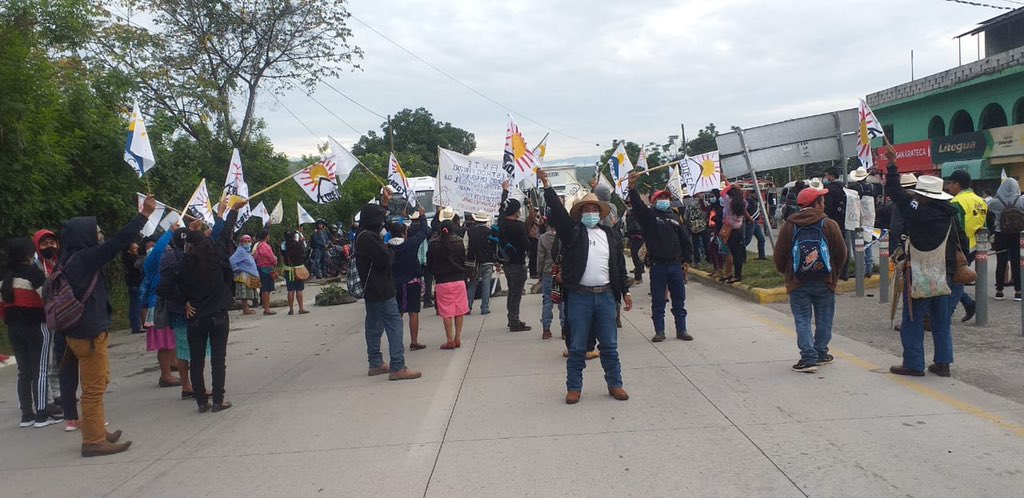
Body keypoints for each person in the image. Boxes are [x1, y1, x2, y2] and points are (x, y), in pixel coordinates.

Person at [59, 194, 155, 457]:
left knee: (98, 382)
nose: (100, 235)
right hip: (88, 334)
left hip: (83, 332)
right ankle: (92, 440)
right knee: (93, 389)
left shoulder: (70, 258)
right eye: (97, 232)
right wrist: (143, 215)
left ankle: (97, 432)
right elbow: (119, 242)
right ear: (84, 236)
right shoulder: (83, 259)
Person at [538, 168, 633, 405]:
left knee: (610, 345)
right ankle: (574, 387)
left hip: (606, 297)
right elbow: (558, 213)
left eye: (594, 209)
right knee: (577, 346)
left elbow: (619, 267)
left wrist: (625, 291)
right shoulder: (573, 233)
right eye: (586, 210)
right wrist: (547, 185)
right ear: (580, 213)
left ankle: (615, 384)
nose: (590, 213)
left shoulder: (610, 235)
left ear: (600, 213)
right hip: (579, 298)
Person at [886, 150, 967, 378]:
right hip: (944, 276)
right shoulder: (950, 215)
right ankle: (943, 364)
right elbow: (964, 245)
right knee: (941, 322)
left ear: (922, 195)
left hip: (919, 274)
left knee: (912, 320)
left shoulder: (917, 213)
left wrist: (893, 165)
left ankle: (913, 363)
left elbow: (896, 192)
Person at [174, 202, 244, 413]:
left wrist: (183, 302)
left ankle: (201, 402)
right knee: (217, 359)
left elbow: (166, 286)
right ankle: (218, 399)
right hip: (218, 315)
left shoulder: (182, 263)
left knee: (196, 360)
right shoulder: (215, 254)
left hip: (195, 317)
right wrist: (229, 211)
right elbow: (223, 233)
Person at [773, 186, 848, 373]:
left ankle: (808, 358)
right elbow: (842, 253)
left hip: (798, 281)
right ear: (816, 204)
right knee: (824, 318)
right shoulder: (829, 224)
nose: (824, 203)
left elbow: (779, 257)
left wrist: (788, 273)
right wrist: (834, 273)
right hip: (825, 280)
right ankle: (821, 353)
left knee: (802, 319)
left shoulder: (789, 225)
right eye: (822, 200)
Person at [355, 189, 421, 381]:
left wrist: (385, 202)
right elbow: (386, 258)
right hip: (382, 288)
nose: (384, 222)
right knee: (394, 324)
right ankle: (398, 366)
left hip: (371, 289)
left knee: (374, 325)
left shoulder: (362, 233)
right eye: (381, 219)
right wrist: (391, 249)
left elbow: (377, 219)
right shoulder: (370, 238)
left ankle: (375, 362)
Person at [1, 238, 62, 428]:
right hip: (36, 325)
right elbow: (48, 297)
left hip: (13, 327)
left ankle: (26, 415)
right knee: (41, 370)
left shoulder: (3, 275)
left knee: (24, 371)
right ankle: (43, 414)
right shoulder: (32, 273)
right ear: (28, 254)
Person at [627, 182, 694, 342]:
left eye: (666, 197)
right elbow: (637, 206)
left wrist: (687, 260)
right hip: (658, 266)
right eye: (660, 198)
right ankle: (659, 331)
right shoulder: (649, 217)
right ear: (654, 201)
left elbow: (685, 240)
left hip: (675, 266)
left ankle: (681, 329)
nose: (664, 199)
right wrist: (632, 188)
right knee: (658, 300)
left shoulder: (675, 217)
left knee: (679, 299)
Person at [140, 227, 182, 390]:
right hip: (158, 306)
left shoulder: (166, 263)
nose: (153, 249)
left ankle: (172, 366)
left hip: (166, 303)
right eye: (148, 247)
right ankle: (165, 375)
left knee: (171, 341)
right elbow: (157, 251)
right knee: (164, 344)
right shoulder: (151, 263)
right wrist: (169, 232)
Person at [946, 170, 987, 321]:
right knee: (957, 279)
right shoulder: (980, 200)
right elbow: (985, 226)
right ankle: (969, 304)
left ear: (957, 184)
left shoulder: (957, 201)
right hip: (976, 245)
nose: (948, 186)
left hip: (960, 248)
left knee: (956, 281)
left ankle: (946, 314)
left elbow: (956, 228)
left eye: (950, 183)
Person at [428, 207, 469, 349]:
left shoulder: (433, 244)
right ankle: (458, 337)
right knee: (459, 310)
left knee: (446, 312)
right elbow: (463, 260)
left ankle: (449, 339)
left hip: (442, 282)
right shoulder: (458, 242)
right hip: (458, 280)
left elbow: (430, 263)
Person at [389, 207, 430, 350]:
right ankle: (414, 341)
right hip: (413, 282)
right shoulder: (410, 244)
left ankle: (396, 343)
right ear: (404, 233)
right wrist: (423, 216)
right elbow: (424, 232)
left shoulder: (387, 248)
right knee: (413, 312)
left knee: (397, 313)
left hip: (395, 284)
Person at [499, 180, 532, 332]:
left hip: (506, 263)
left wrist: (504, 192)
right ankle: (514, 321)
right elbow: (526, 245)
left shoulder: (501, 224)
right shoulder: (518, 226)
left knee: (511, 291)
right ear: (516, 211)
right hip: (518, 263)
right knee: (516, 293)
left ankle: (511, 318)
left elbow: (501, 208)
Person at [987, 177, 1024, 301]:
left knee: (1001, 262)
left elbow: (988, 207)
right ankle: (1018, 292)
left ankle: (999, 291)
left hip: (1000, 233)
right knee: (1016, 262)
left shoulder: (995, 202)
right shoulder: (1021, 200)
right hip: (1016, 234)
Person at [537, 221, 564, 340]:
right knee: (563, 301)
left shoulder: (543, 238)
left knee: (547, 300)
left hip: (548, 271)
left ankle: (546, 329)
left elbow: (540, 257)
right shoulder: (564, 236)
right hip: (561, 272)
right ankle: (565, 329)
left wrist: (539, 273)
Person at [722, 186, 753, 283]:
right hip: (739, 229)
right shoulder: (743, 203)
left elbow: (723, 193)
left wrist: (730, 185)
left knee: (733, 253)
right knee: (738, 253)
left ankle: (737, 275)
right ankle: (737, 274)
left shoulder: (728, 203)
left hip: (730, 230)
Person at [466, 212, 494, 315]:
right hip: (488, 260)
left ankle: (468, 307)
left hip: (475, 261)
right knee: (486, 285)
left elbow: (466, 245)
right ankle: (484, 308)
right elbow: (493, 246)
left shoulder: (470, 231)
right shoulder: (489, 231)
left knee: (472, 284)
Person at [824, 168, 849, 280]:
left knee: (832, 247)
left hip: (833, 221)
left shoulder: (829, 189)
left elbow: (827, 207)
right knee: (843, 245)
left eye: (827, 175)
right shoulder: (845, 187)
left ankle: (834, 272)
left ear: (831, 176)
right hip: (845, 220)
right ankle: (845, 272)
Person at [281, 230, 310, 316]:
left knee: (290, 290)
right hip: (298, 270)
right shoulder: (298, 244)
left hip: (288, 269)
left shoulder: (283, 246)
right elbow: (304, 254)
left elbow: (282, 257)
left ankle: (291, 309)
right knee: (299, 289)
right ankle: (301, 308)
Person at [229, 234, 259, 316]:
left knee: (246, 293)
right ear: (241, 242)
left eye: (249, 241)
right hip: (243, 275)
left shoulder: (247, 250)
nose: (247, 243)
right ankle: (245, 310)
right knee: (244, 294)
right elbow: (232, 259)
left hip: (248, 274)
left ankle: (247, 309)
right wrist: (236, 269)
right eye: (245, 241)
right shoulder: (241, 250)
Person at [252, 230, 277, 315]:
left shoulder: (258, 245)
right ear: (267, 236)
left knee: (263, 289)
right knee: (267, 289)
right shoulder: (266, 246)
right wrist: (275, 262)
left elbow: (255, 256)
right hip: (267, 268)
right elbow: (272, 258)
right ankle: (267, 309)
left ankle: (265, 306)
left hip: (260, 267)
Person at [122, 242, 144, 334]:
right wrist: (144, 256)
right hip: (134, 284)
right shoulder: (129, 258)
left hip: (136, 284)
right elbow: (137, 265)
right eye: (135, 248)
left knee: (137, 306)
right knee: (135, 307)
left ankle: (137, 325)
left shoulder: (132, 257)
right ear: (129, 250)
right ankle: (136, 327)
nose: (137, 250)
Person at [624, 199, 646, 283]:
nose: (628, 205)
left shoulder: (637, 213)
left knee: (638, 257)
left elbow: (637, 226)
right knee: (635, 257)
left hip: (638, 237)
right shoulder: (629, 213)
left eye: (630, 203)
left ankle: (638, 277)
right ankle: (638, 272)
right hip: (632, 237)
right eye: (627, 203)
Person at [743, 190, 767, 260]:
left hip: (755, 223)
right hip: (750, 222)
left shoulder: (757, 201)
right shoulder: (749, 200)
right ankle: (740, 255)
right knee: (747, 240)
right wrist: (749, 219)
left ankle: (762, 256)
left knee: (761, 239)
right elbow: (745, 210)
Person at [526, 203, 541, 279]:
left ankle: (535, 271)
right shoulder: (529, 219)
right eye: (534, 211)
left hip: (536, 238)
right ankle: (533, 272)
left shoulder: (536, 220)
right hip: (532, 238)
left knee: (536, 257)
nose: (536, 213)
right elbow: (531, 215)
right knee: (533, 257)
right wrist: (531, 204)